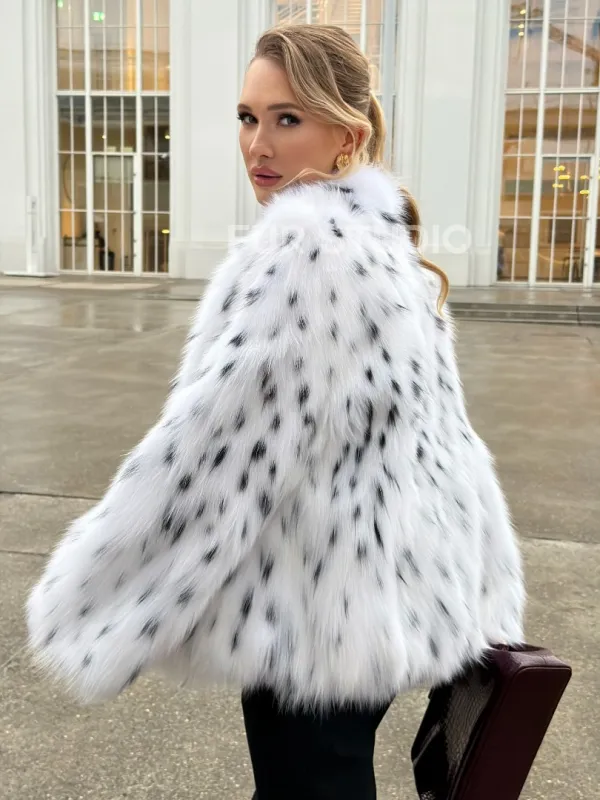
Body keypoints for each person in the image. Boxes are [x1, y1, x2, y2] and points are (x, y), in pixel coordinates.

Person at [27, 24, 525, 800]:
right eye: (247, 117)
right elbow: (447, 449)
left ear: (347, 136)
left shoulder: (310, 257)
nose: (257, 144)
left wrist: (95, 589)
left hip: (314, 619)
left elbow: (217, 458)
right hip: (371, 604)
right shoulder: (380, 247)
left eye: (287, 118)